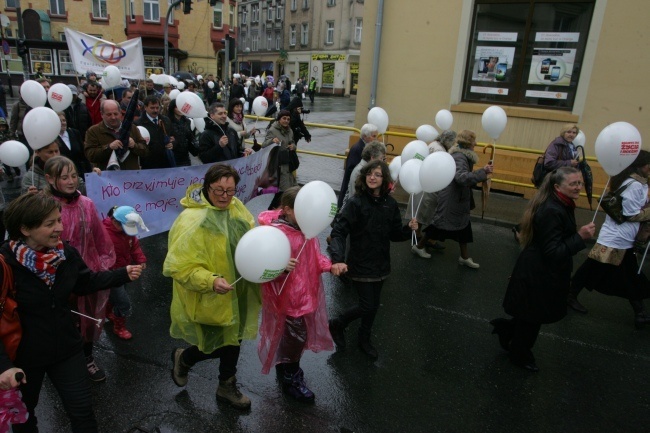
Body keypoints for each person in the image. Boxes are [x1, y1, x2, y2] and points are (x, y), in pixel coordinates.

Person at [0, 192, 142, 432]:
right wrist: (4, 366)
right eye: (50, 224)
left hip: (66, 347)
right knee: (25, 416)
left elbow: (84, 283)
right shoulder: (5, 263)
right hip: (24, 358)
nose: (60, 228)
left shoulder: (65, 254)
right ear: (25, 228)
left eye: (59, 220)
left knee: (83, 413)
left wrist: (121, 273)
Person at [164, 164, 261, 410]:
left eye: (230, 190)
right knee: (214, 343)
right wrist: (210, 281)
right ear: (207, 187)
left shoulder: (235, 206)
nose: (225, 196)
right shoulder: (192, 220)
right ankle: (184, 358)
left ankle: (226, 385)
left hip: (236, 289)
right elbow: (179, 266)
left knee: (234, 340)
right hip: (210, 294)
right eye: (219, 190)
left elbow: (251, 238)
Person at [490, 167, 595, 371]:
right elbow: (553, 252)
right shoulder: (552, 210)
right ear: (557, 187)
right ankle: (519, 355)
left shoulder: (560, 204)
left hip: (540, 269)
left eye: (580, 183)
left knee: (529, 313)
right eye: (573, 184)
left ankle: (507, 331)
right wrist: (580, 238)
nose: (578, 187)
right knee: (533, 316)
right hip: (539, 272)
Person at [328, 160, 418, 359]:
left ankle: (364, 339)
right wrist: (337, 259)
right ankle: (338, 323)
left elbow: (394, 234)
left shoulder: (390, 204)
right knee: (367, 305)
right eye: (369, 173)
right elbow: (339, 232)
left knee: (373, 306)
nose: (372, 177)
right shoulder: (356, 202)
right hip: (360, 263)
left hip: (381, 264)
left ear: (384, 179)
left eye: (377, 174)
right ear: (364, 177)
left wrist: (408, 230)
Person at [257, 186, 335, 402]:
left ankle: (285, 368)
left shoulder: (306, 229)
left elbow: (314, 257)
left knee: (292, 337)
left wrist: (330, 266)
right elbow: (261, 267)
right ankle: (291, 378)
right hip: (288, 299)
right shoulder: (277, 234)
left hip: (305, 295)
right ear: (288, 210)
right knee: (295, 339)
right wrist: (280, 267)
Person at [44, 156, 117, 382]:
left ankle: (87, 358)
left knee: (87, 320)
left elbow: (100, 239)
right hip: (55, 277)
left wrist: (103, 267)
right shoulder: (45, 208)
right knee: (63, 321)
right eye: (64, 177)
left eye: (74, 175)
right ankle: (61, 362)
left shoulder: (87, 204)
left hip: (86, 274)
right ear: (50, 179)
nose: (71, 181)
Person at [569, 151, 650, 327]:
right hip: (617, 237)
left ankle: (570, 294)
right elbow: (629, 214)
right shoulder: (635, 185)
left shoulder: (631, 181)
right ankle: (640, 312)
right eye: (648, 165)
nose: (649, 169)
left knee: (594, 268)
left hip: (617, 236)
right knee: (628, 274)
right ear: (640, 165)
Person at [424, 130, 493, 269]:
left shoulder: (460, 155)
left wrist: (481, 173)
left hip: (456, 199)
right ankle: (420, 246)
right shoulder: (460, 157)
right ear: (468, 143)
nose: (476, 143)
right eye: (474, 141)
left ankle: (464, 257)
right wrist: (483, 172)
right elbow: (461, 178)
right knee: (440, 226)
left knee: (462, 228)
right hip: (453, 199)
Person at [103, 206, 148, 340]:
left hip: (125, 271)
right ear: (115, 222)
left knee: (116, 296)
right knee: (123, 303)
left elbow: (134, 245)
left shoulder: (127, 233)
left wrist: (140, 259)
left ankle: (109, 312)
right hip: (111, 273)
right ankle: (119, 327)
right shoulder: (103, 233)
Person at [411, 130, 458, 258]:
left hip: (424, 183)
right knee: (427, 213)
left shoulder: (433, 144)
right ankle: (422, 239)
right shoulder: (440, 151)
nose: (454, 145)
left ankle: (419, 236)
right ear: (448, 140)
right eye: (453, 142)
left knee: (422, 212)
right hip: (431, 186)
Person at [84, 100, 148, 171]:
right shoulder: (93, 131)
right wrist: (109, 147)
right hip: (107, 178)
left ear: (120, 113)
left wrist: (134, 146)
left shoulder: (132, 128)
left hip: (130, 177)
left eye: (115, 114)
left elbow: (145, 151)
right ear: (102, 114)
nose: (113, 117)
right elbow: (90, 155)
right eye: (109, 114)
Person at [337, 124, 379, 210]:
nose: (376, 139)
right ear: (364, 136)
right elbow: (351, 169)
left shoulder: (364, 147)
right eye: (373, 136)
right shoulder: (358, 148)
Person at [341, 141, 386, 210]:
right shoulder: (363, 171)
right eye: (381, 158)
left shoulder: (363, 168)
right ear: (372, 158)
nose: (382, 162)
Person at [135, 95, 175, 169]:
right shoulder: (138, 124)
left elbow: (173, 136)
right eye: (152, 108)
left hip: (166, 164)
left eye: (157, 108)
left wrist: (172, 143)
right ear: (145, 107)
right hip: (148, 165)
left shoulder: (166, 120)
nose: (155, 110)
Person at [262, 110, 297, 193]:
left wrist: (293, 146)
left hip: (289, 165)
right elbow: (263, 145)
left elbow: (292, 142)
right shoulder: (272, 130)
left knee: (293, 188)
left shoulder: (290, 131)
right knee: (285, 190)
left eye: (288, 119)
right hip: (278, 166)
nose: (286, 121)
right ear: (279, 119)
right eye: (284, 118)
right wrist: (272, 141)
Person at [55, 111, 94, 179]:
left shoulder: (74, 133)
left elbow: (84, 155)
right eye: (59, 121)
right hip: (63, 175)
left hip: (80, 173)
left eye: (64, 120)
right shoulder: (53, 138)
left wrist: (90, 171)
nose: (63, 123)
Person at [167, 98, 196, 166]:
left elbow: (190, 136)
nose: (180, 109)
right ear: (173, 108)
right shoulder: (167, 121)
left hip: (185, 154)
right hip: (173, 154)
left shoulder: (187, 121)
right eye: (177, 107)